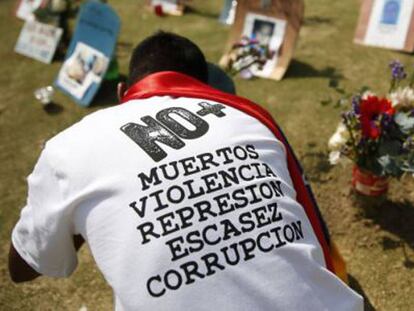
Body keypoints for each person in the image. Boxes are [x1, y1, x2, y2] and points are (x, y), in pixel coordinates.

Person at [9, 31, 363, 310]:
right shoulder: (250, 122)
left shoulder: (70, 147)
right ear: (206, 88)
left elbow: (22, 268)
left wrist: (81, 214)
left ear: (121, 93)